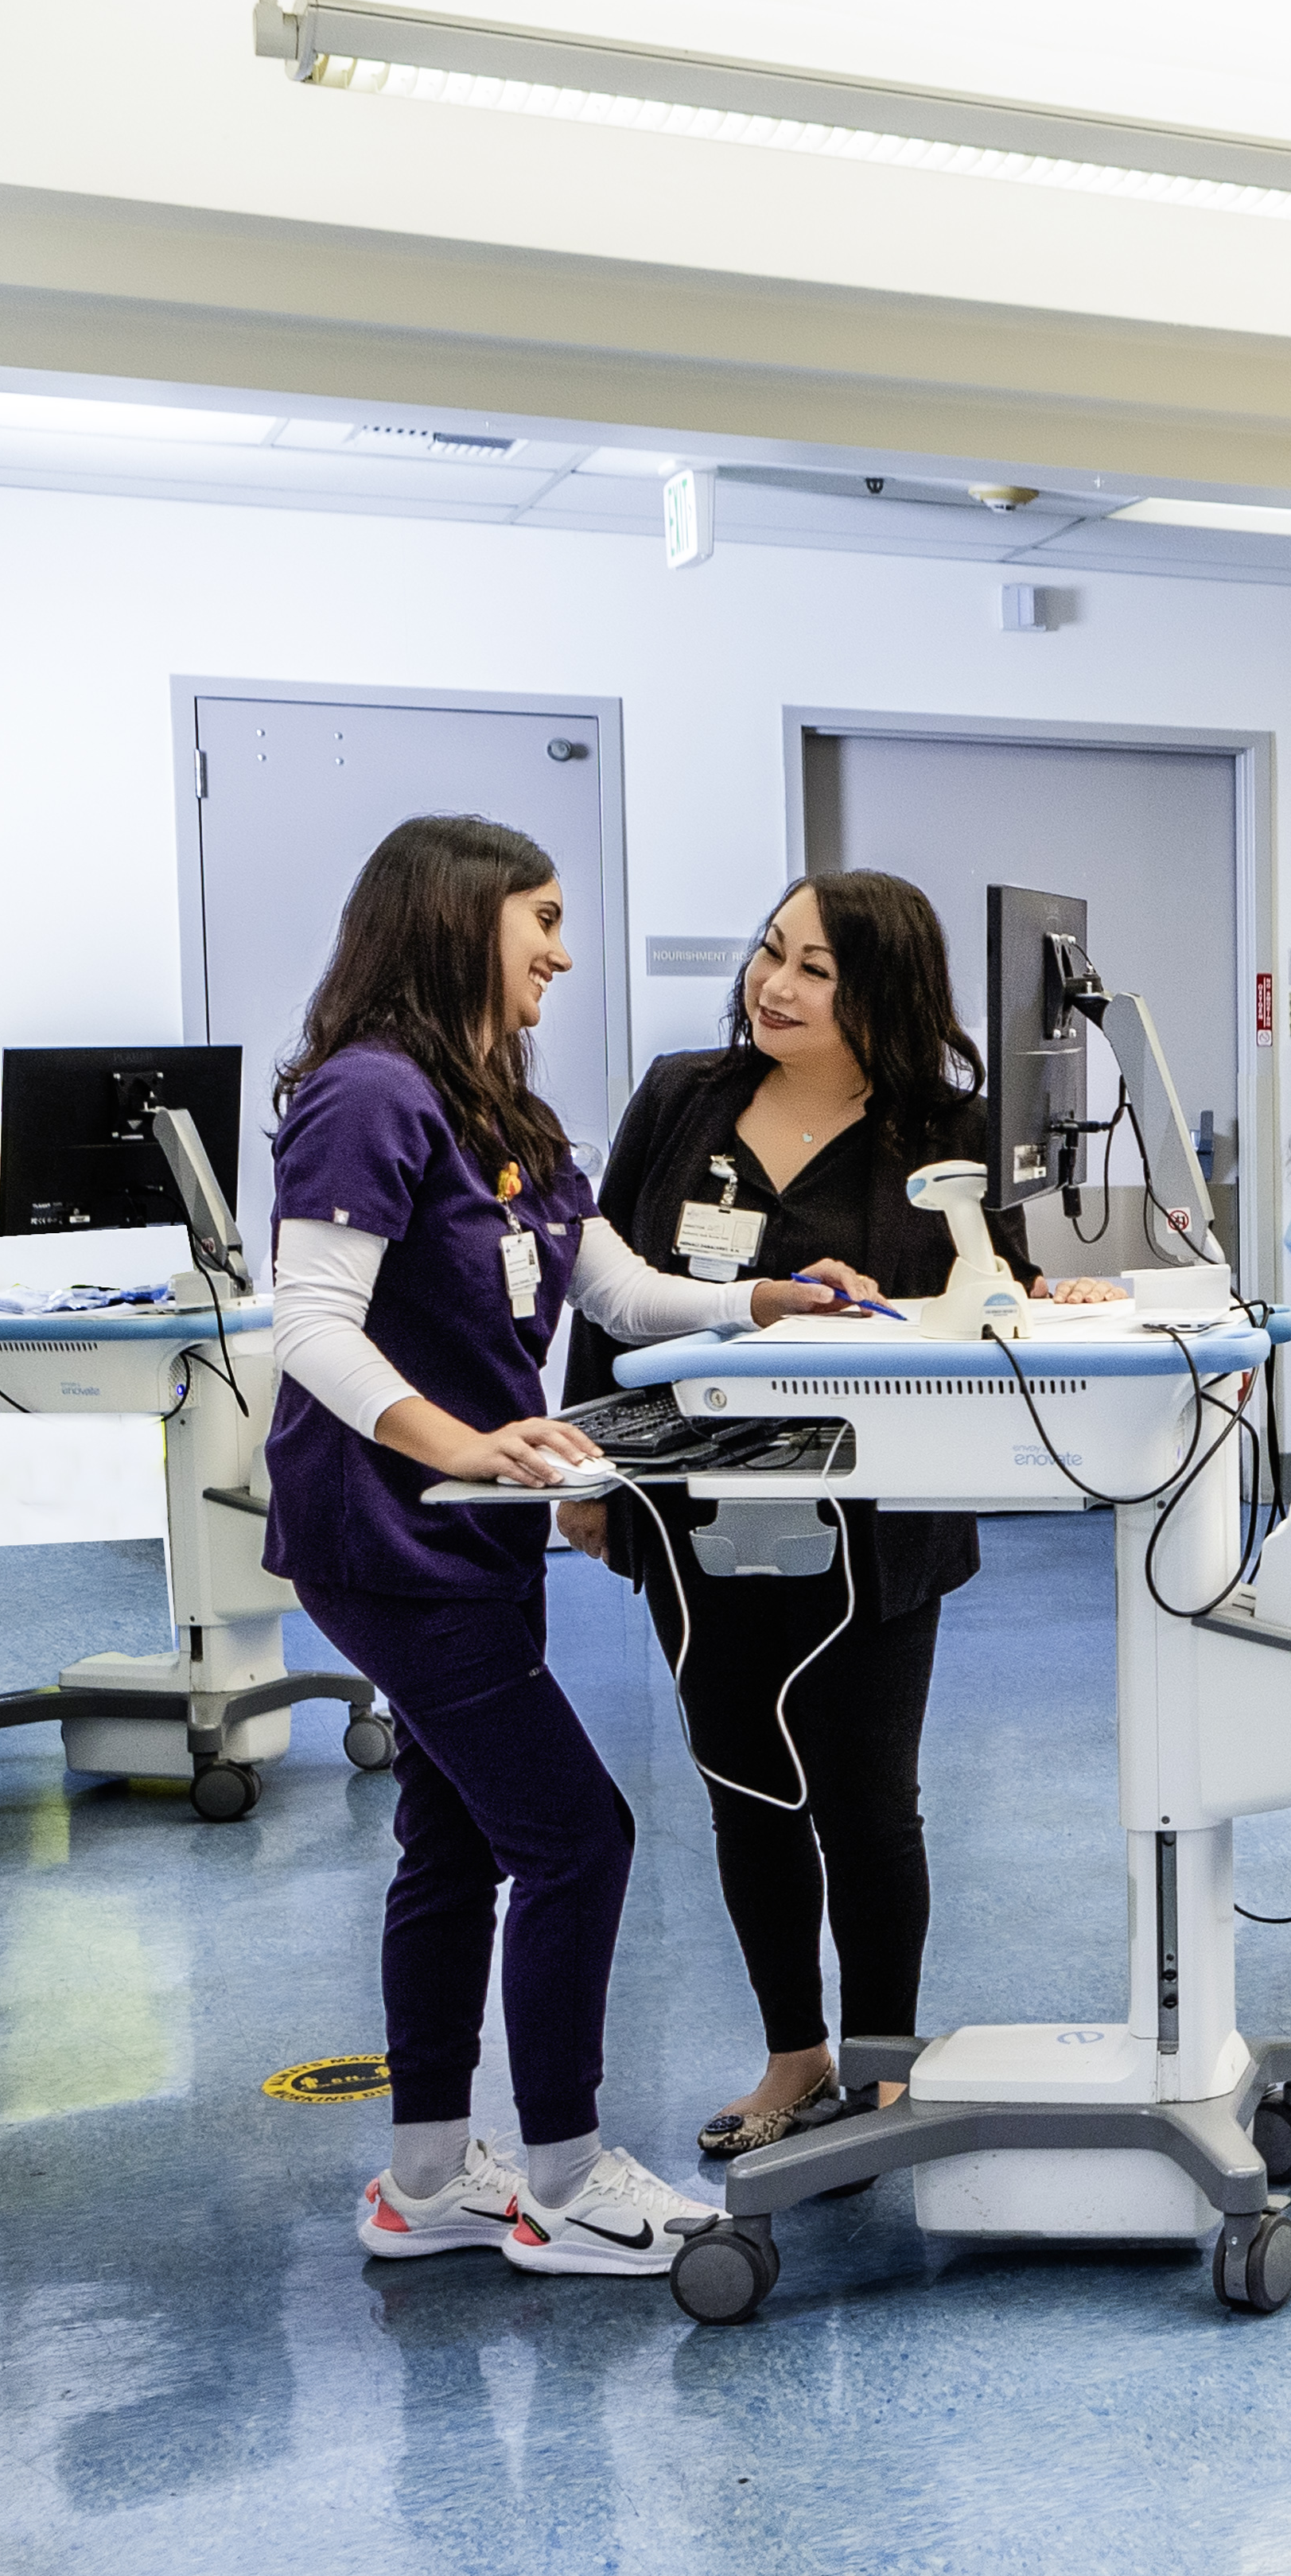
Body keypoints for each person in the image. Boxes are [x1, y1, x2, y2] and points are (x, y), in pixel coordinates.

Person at [262, 815, 854, 2281]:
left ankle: (421, 2181)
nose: (563, 951)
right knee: (576, 1835)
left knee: (454, 1834)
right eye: (542, 918)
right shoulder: (367, 1098)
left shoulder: (497, 1108)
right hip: (389, 1528)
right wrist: (461, 1441)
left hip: (465, 1533)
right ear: (462, 921)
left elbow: (634, 1291)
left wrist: (768, 1301)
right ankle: (567, 2177)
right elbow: (310, 1327)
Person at [554, 872, 1130, 2159]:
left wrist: (1055, 1299)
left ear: (882, 990)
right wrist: (589, 1465)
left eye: (815, 967)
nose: (777, 985)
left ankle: (880, 2057)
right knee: (742, 1784)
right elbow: (604, 1290)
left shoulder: (950, 1129)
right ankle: (792, 2054)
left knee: (869, 1801)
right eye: (771, 954)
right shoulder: (681, 1096)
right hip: (694, 1510)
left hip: (872, 1524)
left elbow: (1005, 1287)